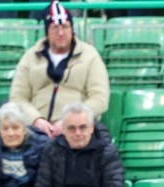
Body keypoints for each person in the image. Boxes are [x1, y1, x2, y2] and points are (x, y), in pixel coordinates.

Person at [29, 102, 128, 187]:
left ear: (92, 128)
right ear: (63, 129)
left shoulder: (107, 150)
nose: (78, 133)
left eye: (83, 127)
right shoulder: (51, 149)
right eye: (71, 128)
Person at [10, 1, 110, 138]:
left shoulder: (90, 56)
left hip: (78, 130)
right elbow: (17, 97)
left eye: (65, 27)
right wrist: (36, 120)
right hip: (37, 130)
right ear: (47, 31)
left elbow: (100, 99)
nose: (61, 33)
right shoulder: (30, 57)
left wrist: (69, 121)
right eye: (55, 28)